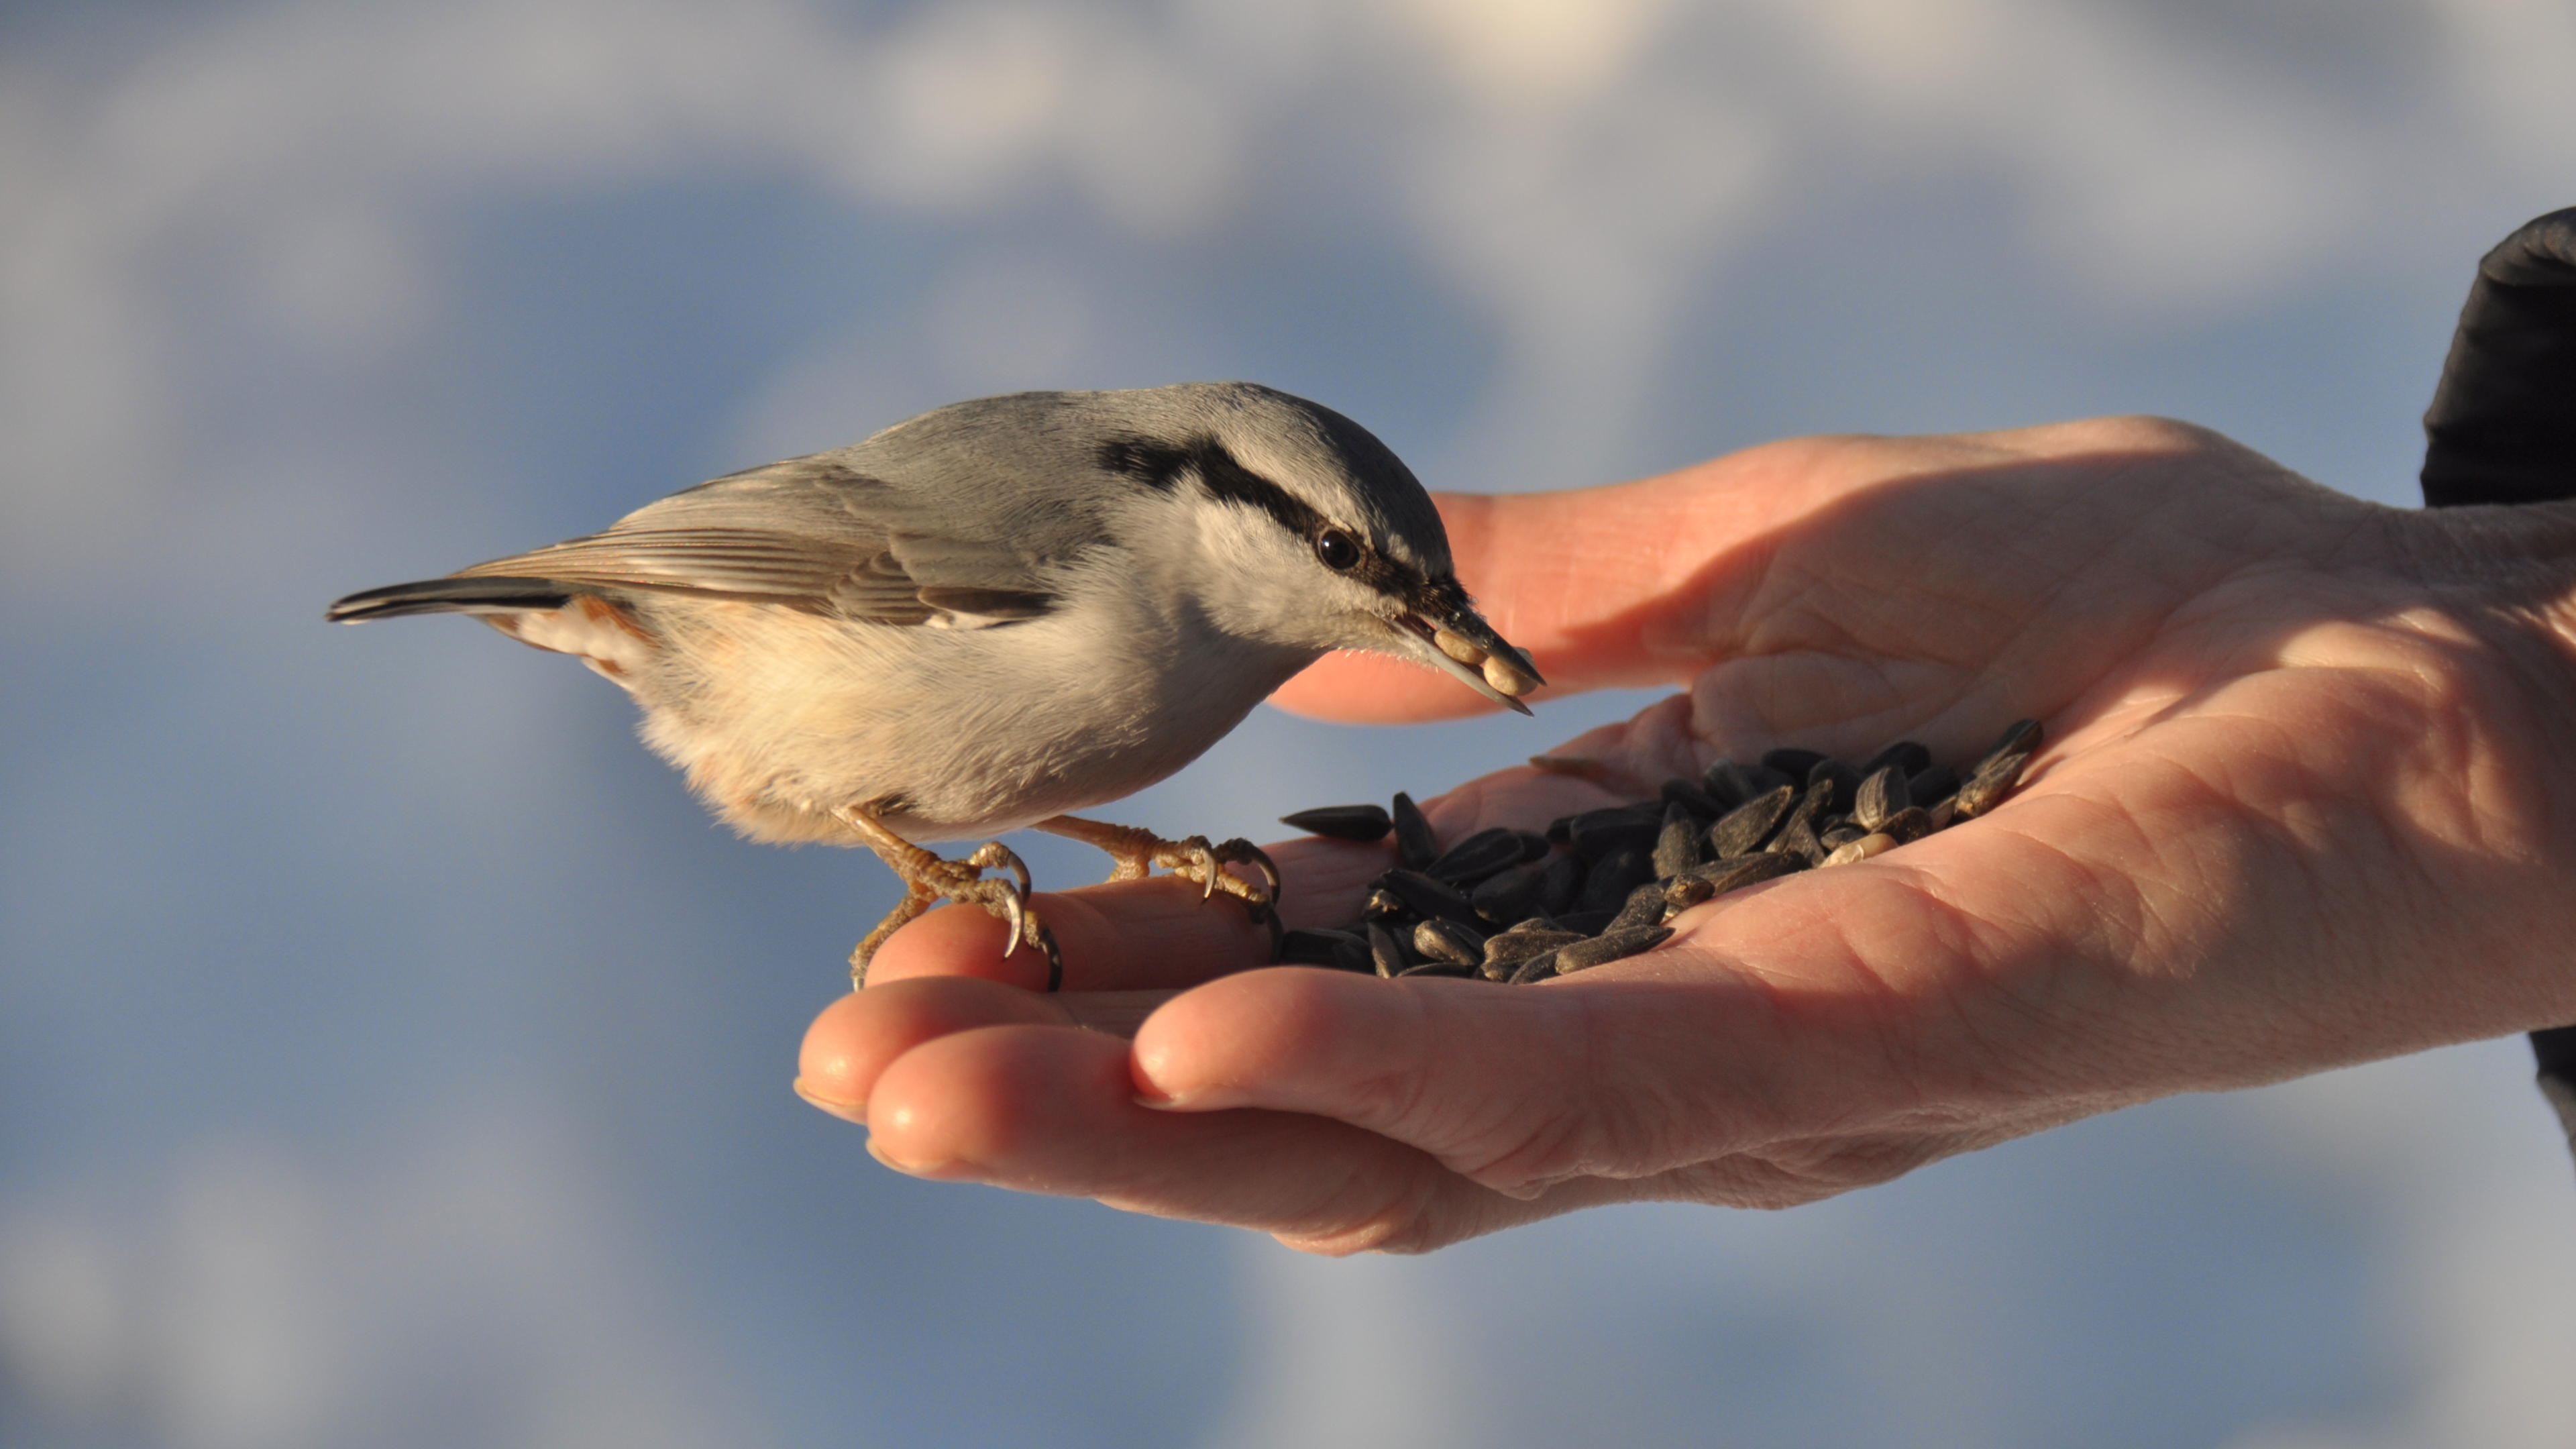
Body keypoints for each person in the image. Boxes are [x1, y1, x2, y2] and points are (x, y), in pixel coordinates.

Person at [790, 413, 2576, 1254]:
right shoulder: (1072, 539)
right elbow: (778, 590)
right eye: (1360, 570)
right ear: (1220, 494)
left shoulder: (1182, 598)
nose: (1415, 614)